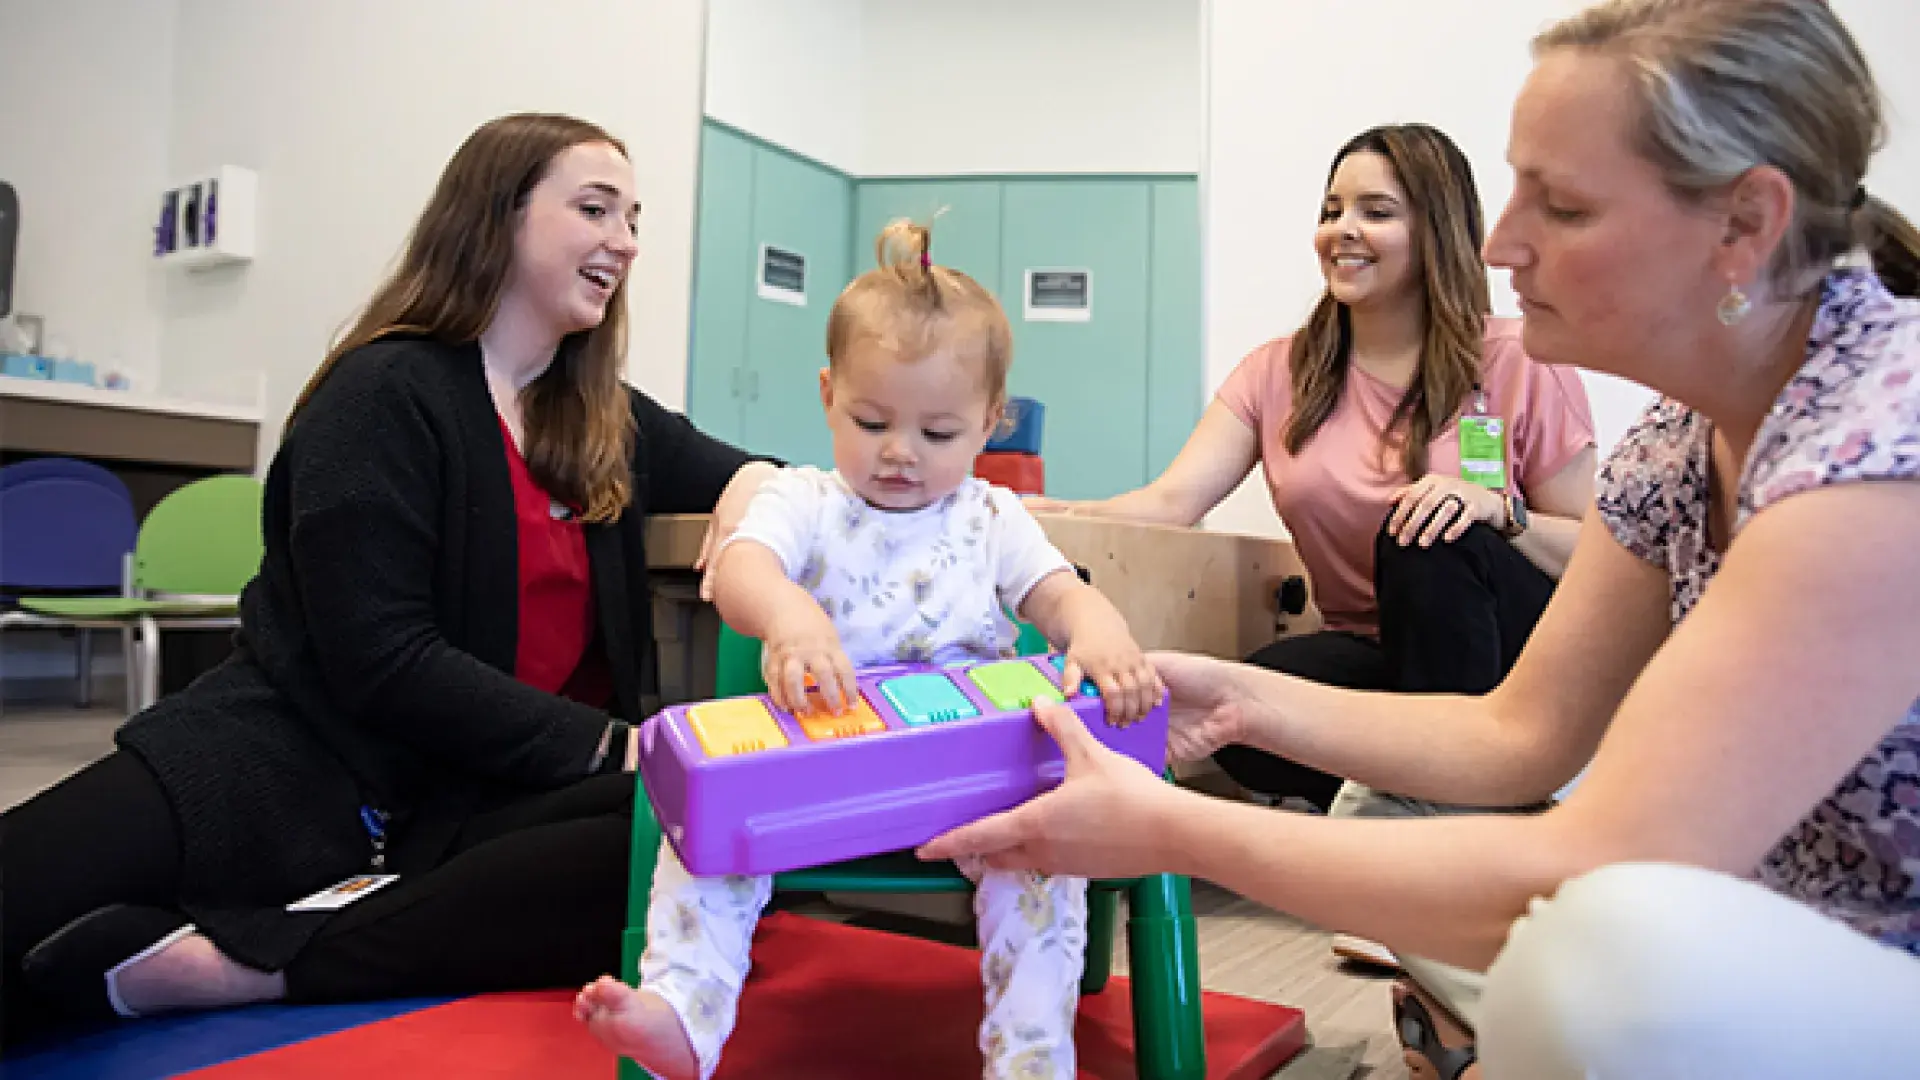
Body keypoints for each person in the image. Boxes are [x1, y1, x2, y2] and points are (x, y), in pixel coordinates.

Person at [920, 1, 1920, 1077]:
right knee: (1540, 930)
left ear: (1745, 225)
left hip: (1859, 954)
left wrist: (1168, 828)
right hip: (1792, 928)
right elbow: (1516, 735)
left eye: (1565, 206)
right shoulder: (1676, 443)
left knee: (1600, 955)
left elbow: (1594, 867)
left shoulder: (1878, 445)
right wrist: (1239, 697)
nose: (1503, 242)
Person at [0, 112, 782, 1048]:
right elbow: (384, 659)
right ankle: (302, 935)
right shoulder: (385, 392)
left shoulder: (596, 413)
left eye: (635, 218)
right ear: (497, 217)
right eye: (594, 208)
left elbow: (758, 471)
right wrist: (612, 746)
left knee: (695, 831)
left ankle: (256, 967)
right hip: (284, 768)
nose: (625, 241)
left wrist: (754, 505)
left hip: (463, 807)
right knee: (21, 910)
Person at [574, 219, 1163, 1080]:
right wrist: (789, 618)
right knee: (705, 833)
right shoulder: (803, 500)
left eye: (938, 434)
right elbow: (740, 567)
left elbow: (1058, 594)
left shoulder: (991, 516)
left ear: (990, 423)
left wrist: (1099, 626)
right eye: (872, 419)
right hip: (824, 760)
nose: (899, 453)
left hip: (973, 774)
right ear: (827, 394)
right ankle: (683, 1012)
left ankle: (1030, 1059)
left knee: (1044, 871)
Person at [1031, 124, 1596, 811]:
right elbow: (1170, 501)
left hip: (1510, 660)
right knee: (1234, 717)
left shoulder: (1518, 358)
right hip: (1375, 652)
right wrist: (1037, 514)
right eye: (1332, 211)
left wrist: (1498, 513)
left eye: (1376, 212)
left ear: (1437, 229)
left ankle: (1463, 794)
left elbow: (1597, 554)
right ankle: (1423, 787)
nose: (1342, 230)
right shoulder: (1279, 371)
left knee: (1428, 527)